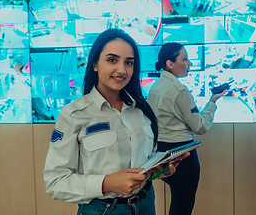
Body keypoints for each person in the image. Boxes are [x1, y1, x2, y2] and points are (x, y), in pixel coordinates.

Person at [44, 29, 188, 215]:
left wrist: (157, 169)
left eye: (129, 62)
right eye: (112, 60)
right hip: (103, 210)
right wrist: (107, 183)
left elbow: (141, 164)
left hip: (146, 203)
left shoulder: (141, 111)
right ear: (95, 64)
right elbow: (55, 183)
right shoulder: (74, 115)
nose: (122, 70)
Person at [147, 43, 226, 215]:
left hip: (161, 151)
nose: (189, 63)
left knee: (178, 204)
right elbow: (200, 126)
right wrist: (212, 103)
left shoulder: (155, 87)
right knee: (183, 206)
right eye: (185, 59)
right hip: (183, 155)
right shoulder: (179, 90)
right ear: (170, 63)